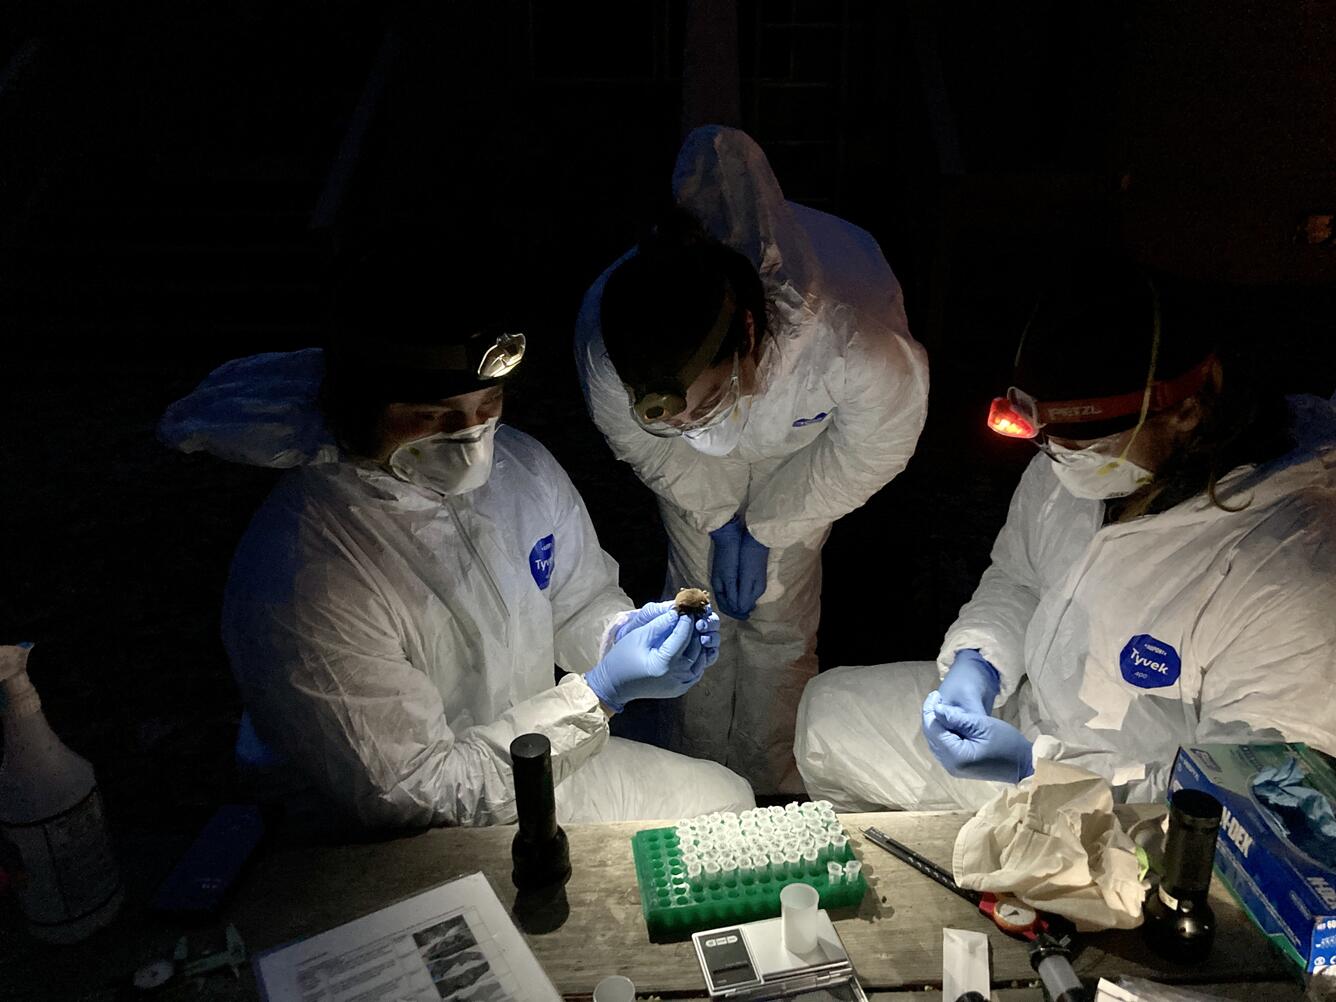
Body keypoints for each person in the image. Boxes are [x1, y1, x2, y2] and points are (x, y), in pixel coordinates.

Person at [159, 240, 754, 835]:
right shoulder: (306, 569)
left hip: (529, 751)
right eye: (436, 418)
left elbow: (577, 597)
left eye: (489, 404)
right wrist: (597, 697)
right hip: (380, 833)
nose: (474, 438)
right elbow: (416, 791)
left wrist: (622, 637)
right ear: (362, 407)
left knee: (727, 801)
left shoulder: (520, 469)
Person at [796, 255, 1336, 809]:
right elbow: (1020, 578)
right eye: (1048, 440)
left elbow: (1247, 799)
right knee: (828, 718)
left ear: (1187, 411)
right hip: (1031, 732)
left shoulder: (1292, 572)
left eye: (1089, 446)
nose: (1059, 461)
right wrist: (979, 660)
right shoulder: (1069, 461)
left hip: (1130, 813)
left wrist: (1037, 775)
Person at [574, 126, 929, 793]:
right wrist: (717, 517)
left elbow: (875, 443)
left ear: (744, 336)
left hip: (806, 455)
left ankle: (768, 782)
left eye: (704, 404)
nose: (688, 422)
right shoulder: (607, 340)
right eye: (669, 414)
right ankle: (697, 772)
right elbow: (646, 448)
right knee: (694, 602)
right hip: (694, 478)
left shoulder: (854, 334)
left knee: (779, 623)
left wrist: (772, 525)